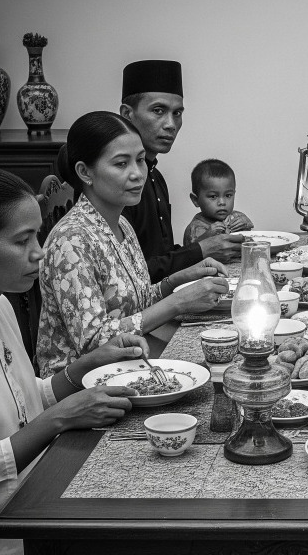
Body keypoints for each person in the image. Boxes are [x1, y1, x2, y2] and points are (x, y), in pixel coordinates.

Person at [0, 168, 225, 555]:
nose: (40, 252)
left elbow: (26, 398)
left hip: (35, 504)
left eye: (37, 235)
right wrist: (59, 419)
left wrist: (77, 373)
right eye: (23, 240)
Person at [36, 111, 230, 377]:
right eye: (120, 164)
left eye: (140, 160)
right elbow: (94, 341)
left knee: (224, 353)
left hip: (131, 362)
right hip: (84, 385)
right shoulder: (71, 241)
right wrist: (178, 302)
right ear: (85, 172)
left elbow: (136, 301)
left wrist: (178, 280)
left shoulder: (121, 223)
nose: (138, 174)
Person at [119, 59, 244, 279]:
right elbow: (130, 275)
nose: (170, 124)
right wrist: (200, 250)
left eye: (177, 113)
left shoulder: (156, 177)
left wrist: (202, 246)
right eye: (158, 111)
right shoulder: (120, 183)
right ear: (127, 114)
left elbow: (162, 256)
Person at [184, 158, 255, 245]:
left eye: (228, 195)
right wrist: (208, 235)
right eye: (213, 196)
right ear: (195, 200)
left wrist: (245, 223)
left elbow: (251, 231)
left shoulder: (236, 216)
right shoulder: (196, 227)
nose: (222, 202)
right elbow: (190, 252)